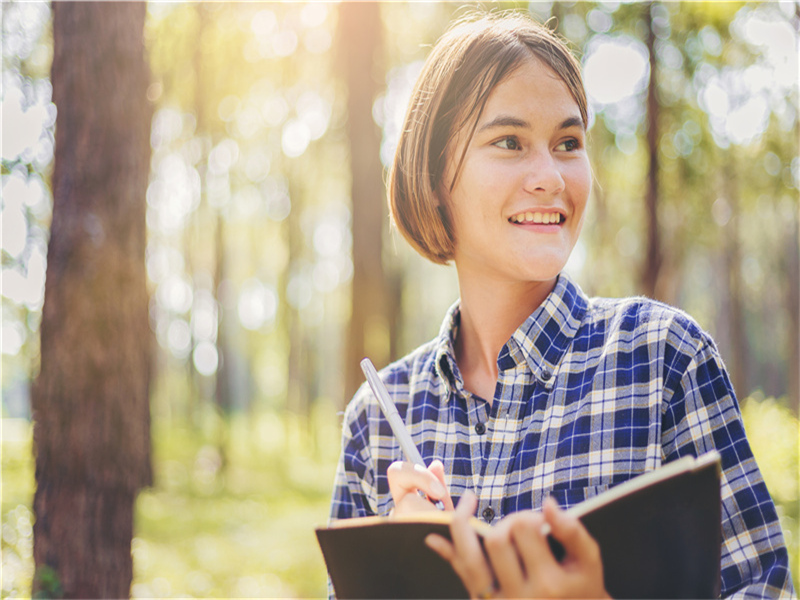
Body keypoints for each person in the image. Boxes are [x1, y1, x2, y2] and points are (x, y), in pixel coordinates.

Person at [328, 9, 795, 599]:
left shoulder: (662, 361)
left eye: (568, 143)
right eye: (509, 141)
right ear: (435, 172)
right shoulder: (378, 418)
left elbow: (765, 588)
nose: (550, 175)